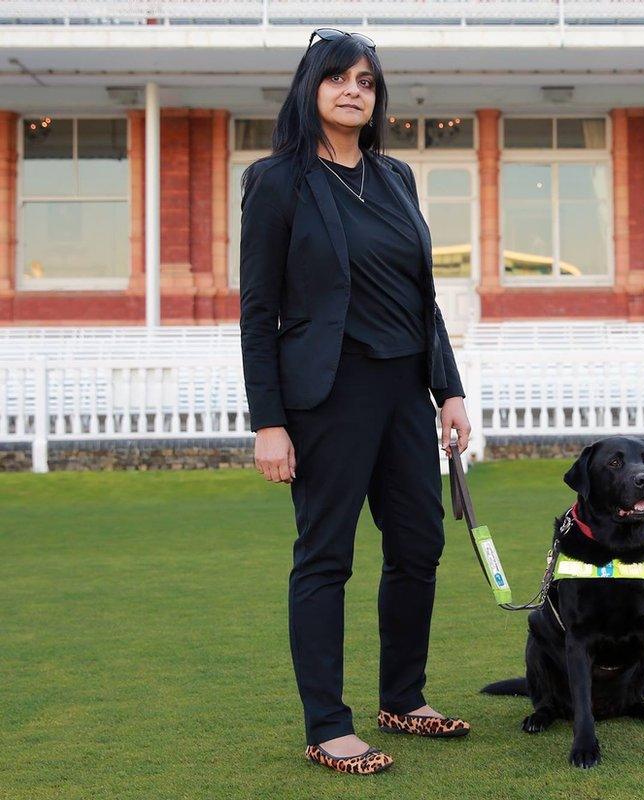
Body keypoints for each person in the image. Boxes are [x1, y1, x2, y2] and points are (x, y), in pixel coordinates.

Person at [238, 27, 473, 776]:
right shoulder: (277, 181)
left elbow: (421, 298)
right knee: (325, 558)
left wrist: (450, 388)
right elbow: (257, 310)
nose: (352, 90)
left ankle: (403, 698)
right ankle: (327, 726)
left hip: (405, 391)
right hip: (327, 396)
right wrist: (268, 422)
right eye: (337, 77)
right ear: (310, 87)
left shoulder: (394, 177)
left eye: (366, 81)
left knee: (419, 546)